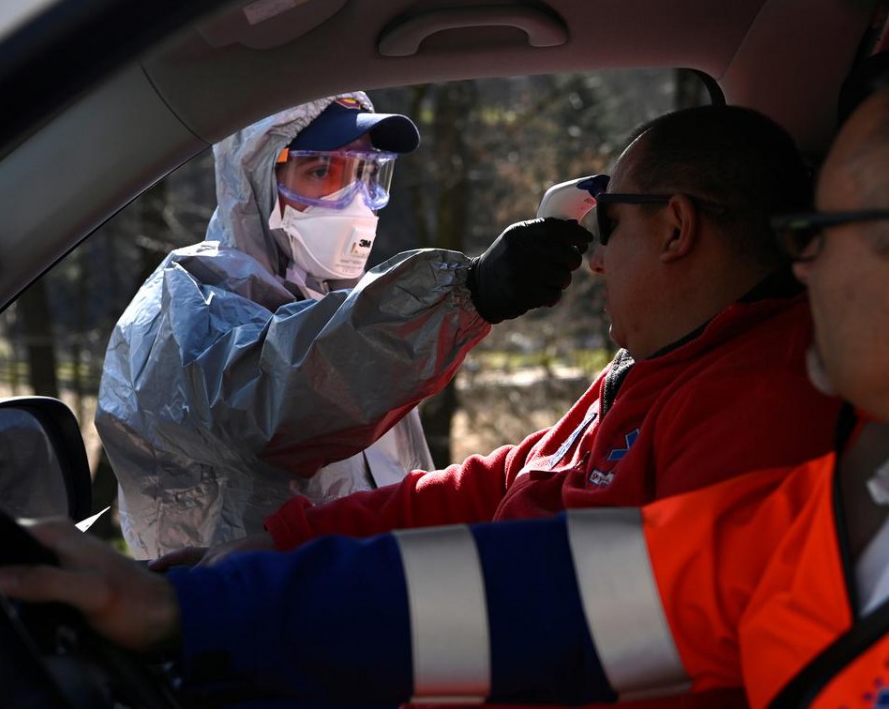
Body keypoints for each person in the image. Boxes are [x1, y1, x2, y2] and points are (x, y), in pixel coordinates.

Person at [0, 50, 889, 707]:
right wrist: (192, 603)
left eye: (823, 226)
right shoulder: (836, 522)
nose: (795, 253)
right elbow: (547, 592)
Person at [154, 104, 842, 622]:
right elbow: (499, 482)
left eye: (605, 226)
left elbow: (590, 621)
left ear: (676, 228)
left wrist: (283, 604)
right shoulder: (652, 370)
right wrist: (285, 544)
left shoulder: (761, 405)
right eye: (322, 172)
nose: (595, 260)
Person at [97, 92, 593, 558]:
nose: (355, 199)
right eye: (322, 172)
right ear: (258, 177)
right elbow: (276, 401)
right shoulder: (187, 300)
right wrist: (467, 293)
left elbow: (396, 486)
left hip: (341, 608)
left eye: (369, 175)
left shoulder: (341, 307)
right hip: (235, 621)